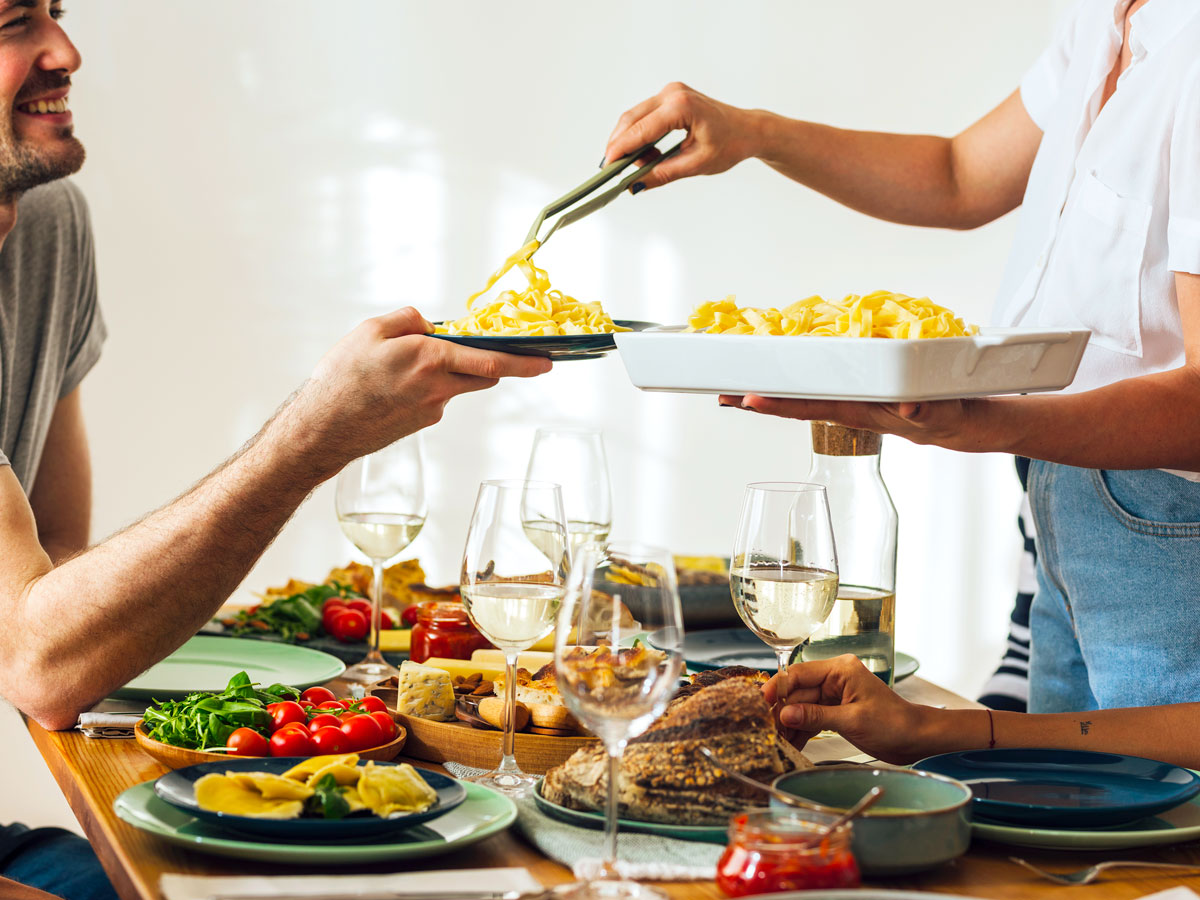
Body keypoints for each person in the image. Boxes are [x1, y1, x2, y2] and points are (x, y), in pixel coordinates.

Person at [0, 2, 550, 897]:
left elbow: (56, 561)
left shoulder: (47, 226)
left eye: (55, 12)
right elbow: (38, 664)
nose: (66, 51)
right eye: (12, 23)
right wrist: (315, 435)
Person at [602, 0, 1200, 717]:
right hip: (1054, 496)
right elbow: (960, 174)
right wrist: (753, 132)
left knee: (1169, 787)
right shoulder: (1102, 18)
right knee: (1068, 783)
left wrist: (982, 424)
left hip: (1165, 519)